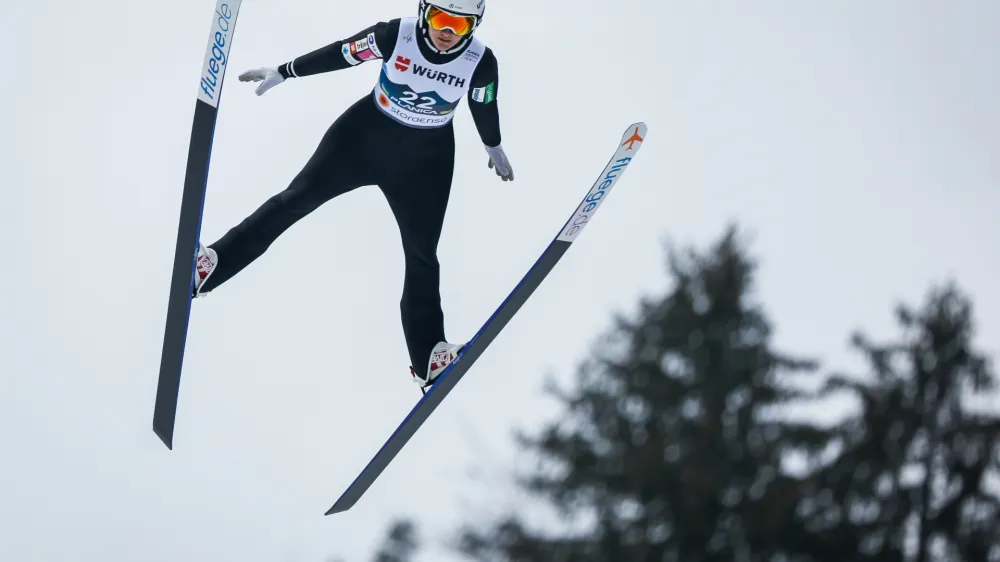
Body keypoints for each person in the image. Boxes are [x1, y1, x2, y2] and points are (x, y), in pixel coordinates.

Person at [191, 0, 513, 392]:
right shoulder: (397, 34)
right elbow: (343, 52)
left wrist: (492, 145)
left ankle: (428, 358)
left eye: (460, 25)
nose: (448, 31)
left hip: (425, 162)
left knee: (423, 254)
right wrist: (286, 71)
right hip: (362, 139)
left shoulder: (481, 61)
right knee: (296, 200)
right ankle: (213, 265)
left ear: (474, 27)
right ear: (425, 12)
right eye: (442, 19)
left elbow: (485, 102)